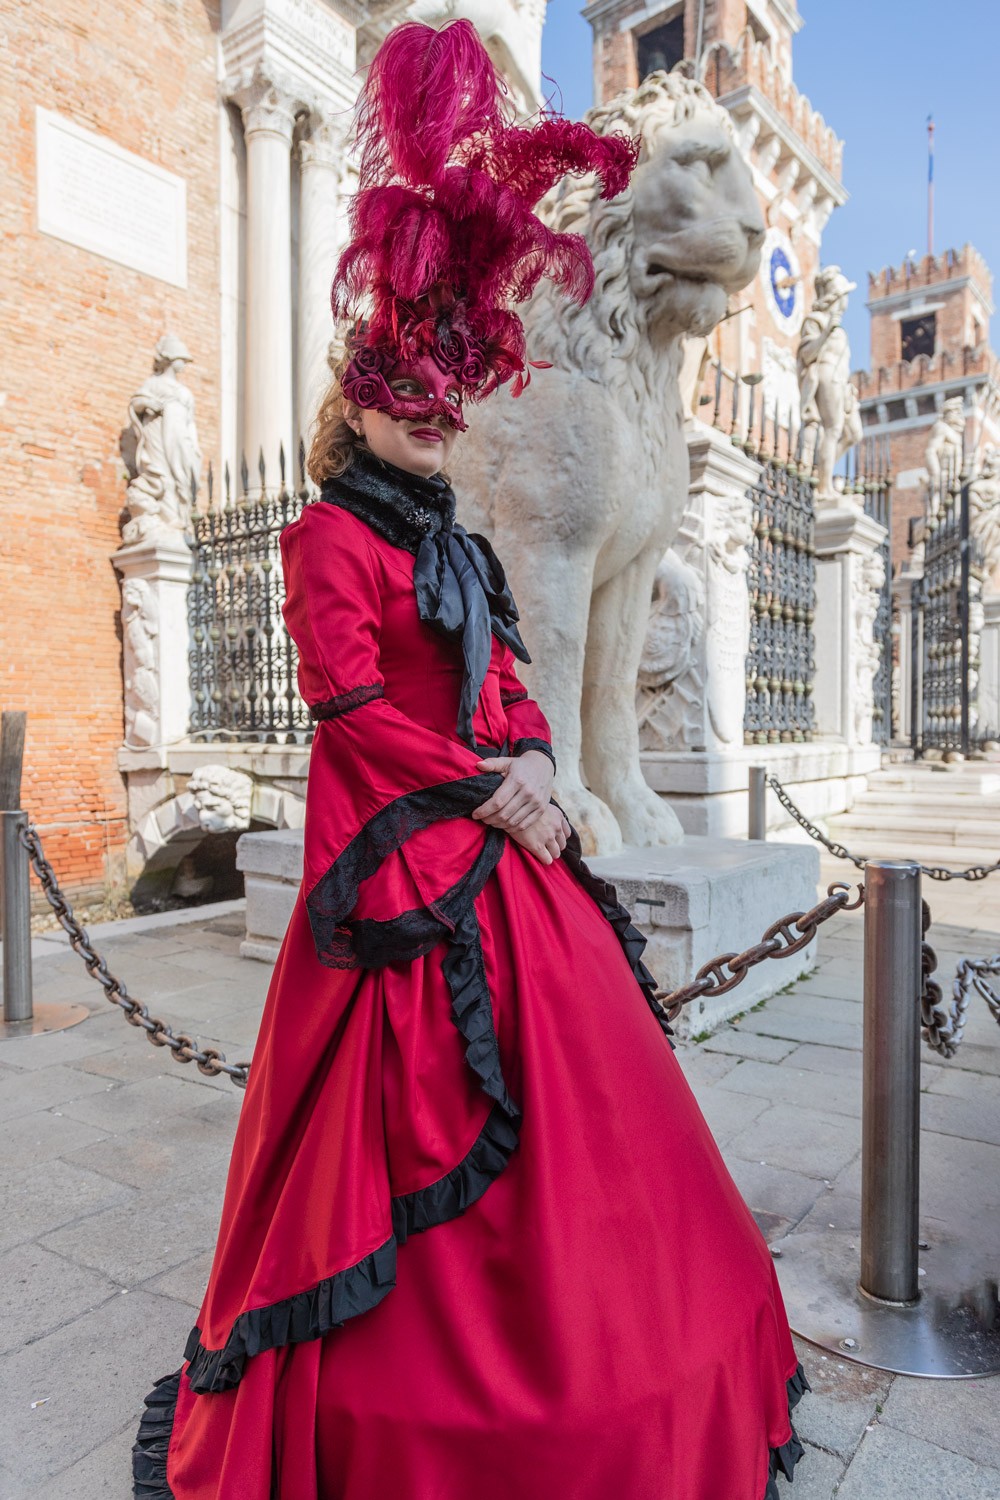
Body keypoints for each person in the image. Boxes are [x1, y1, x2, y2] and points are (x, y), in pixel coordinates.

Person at [133, 22, 806, 1499]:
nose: (436, 421)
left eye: (450, 402)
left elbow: (503, 667)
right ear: (363, 404)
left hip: (505, 832)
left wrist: (535, 760)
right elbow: (350, 706)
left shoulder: (444, 530)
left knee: (605, 1117)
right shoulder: (330, 535)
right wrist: (485, 779)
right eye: (412, 401)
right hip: (403, 845)